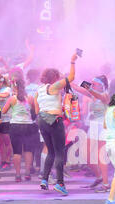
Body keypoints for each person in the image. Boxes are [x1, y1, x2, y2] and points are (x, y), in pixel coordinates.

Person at [34, 52, 78, 195]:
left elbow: (36, 109)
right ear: (54, 79)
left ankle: (45, 179)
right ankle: (60, 183)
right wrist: (72, 62)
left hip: (42, 120)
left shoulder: (38, 90)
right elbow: (71, 78)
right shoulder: (52, 87)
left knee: (50, 151)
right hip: (54, 120)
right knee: (59, 152)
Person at [2, 78, 34, 182]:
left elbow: (3, 111)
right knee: (28, 150)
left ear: (15, 87)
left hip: (15, 125)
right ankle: (28, 173)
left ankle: (18, 175)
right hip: (28, 125)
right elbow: (34, 110)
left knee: (17, 151)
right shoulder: (30, 97)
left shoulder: (12, 99)